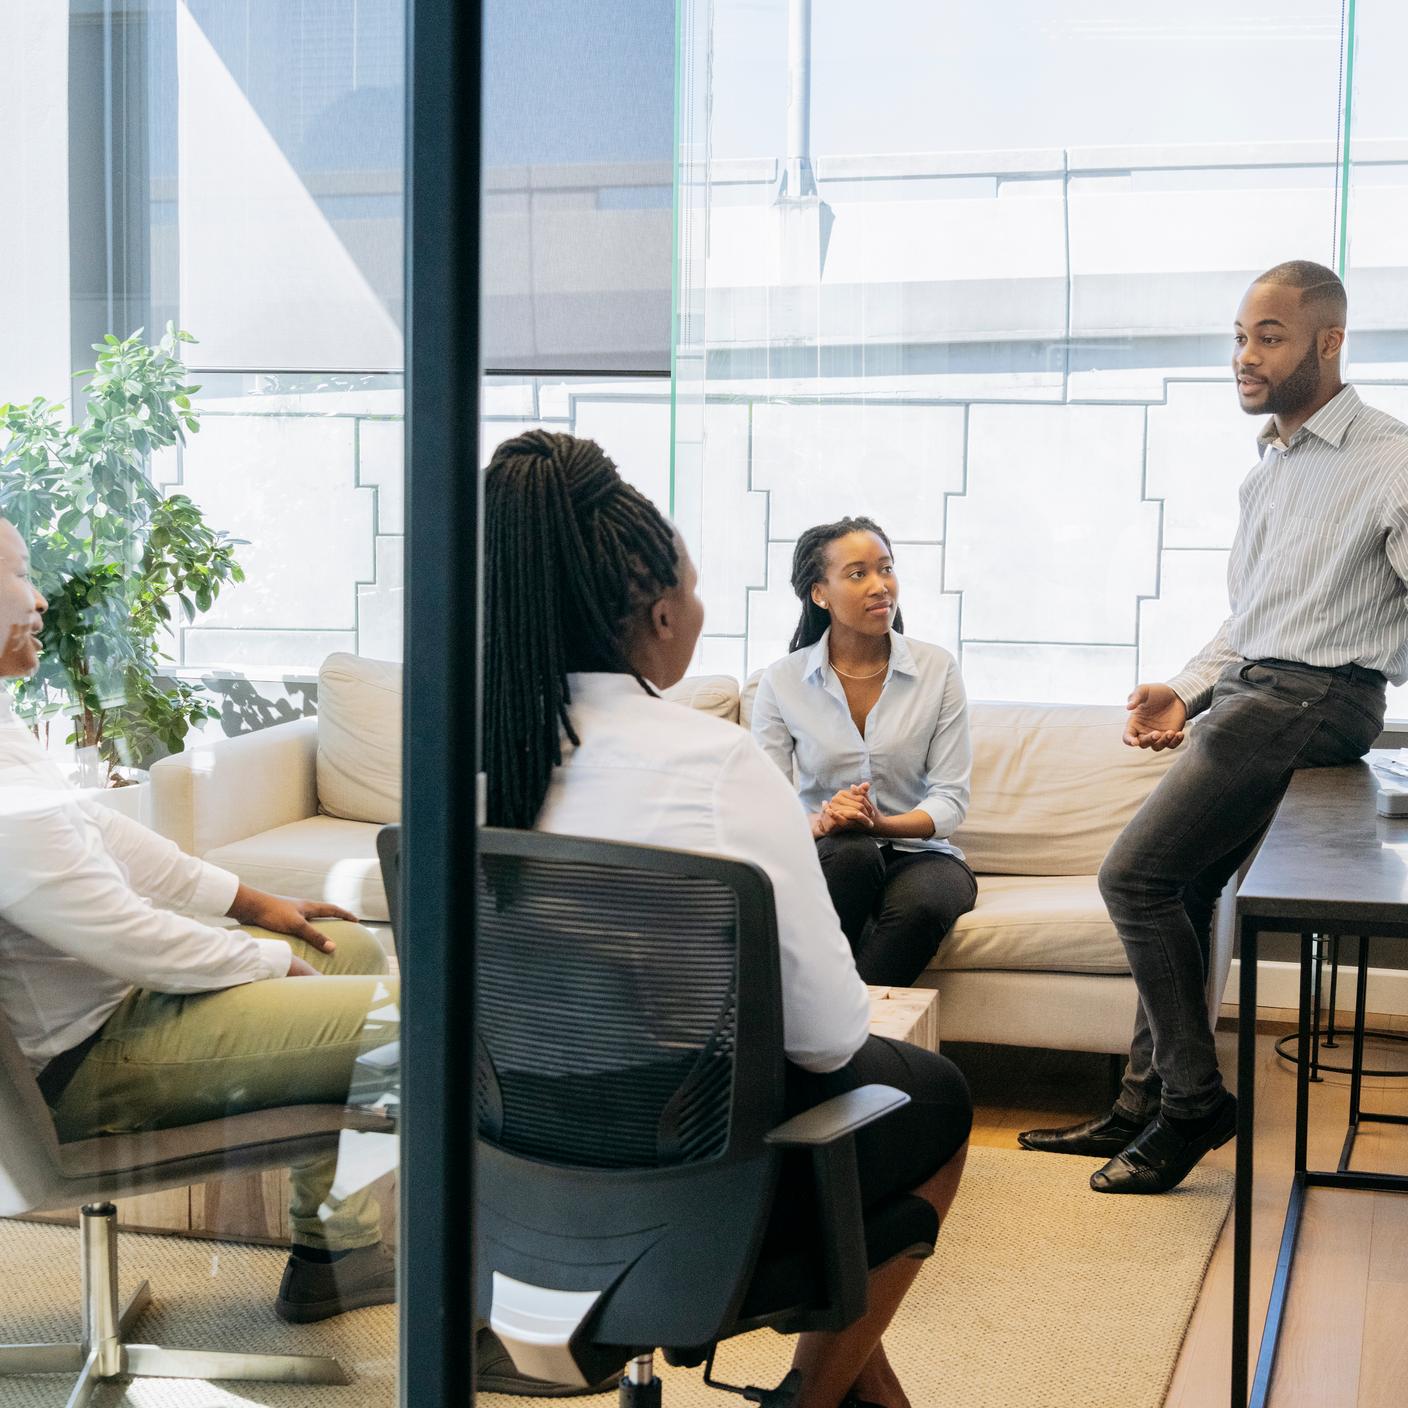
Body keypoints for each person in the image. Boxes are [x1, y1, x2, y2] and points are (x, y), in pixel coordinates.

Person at [481, 431, 971, 1408]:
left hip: (512, 1159)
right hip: (687, 1167)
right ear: (661, 614)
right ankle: (811, 1399)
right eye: (696, 589)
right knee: (939, 1101)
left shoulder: (474, 755)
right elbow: (830, 1040)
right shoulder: (711, 762)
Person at [1020, 259, 1408, 1194]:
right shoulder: (1269, 471)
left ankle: (1195, 1103)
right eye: (1239, 336)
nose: (1245, 355)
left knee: (1133, 876)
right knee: (1182, 889)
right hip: (1256, 692)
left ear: (1329, 340)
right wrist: (1185, 693)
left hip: (1313, 697)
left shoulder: (1391, 459)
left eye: (1268, 336)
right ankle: (1141, 1101)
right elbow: (1251, 622)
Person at [0, 515, 398, 1321]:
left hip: (119, 1013)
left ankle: (336, 1255)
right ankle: (505, 1303)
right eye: (19, 575)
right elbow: (127, 935)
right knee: (417, 1025)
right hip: (91, 1063)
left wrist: (254, 906)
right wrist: (263, 964)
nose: (40, 599)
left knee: (346, 946)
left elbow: (103, 833)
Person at [749, 517, 976, 987]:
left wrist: (881, 824)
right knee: (853, 857)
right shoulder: (782, 681)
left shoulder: (937, 669)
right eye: (858, 574)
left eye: (886, 569)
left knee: (925, 904)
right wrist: (822, 822)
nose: (881, 586)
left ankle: (844, 1037)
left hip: (920, 851)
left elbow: (950, 799)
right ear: (819, 593)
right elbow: (763, 805)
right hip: (832, 850)